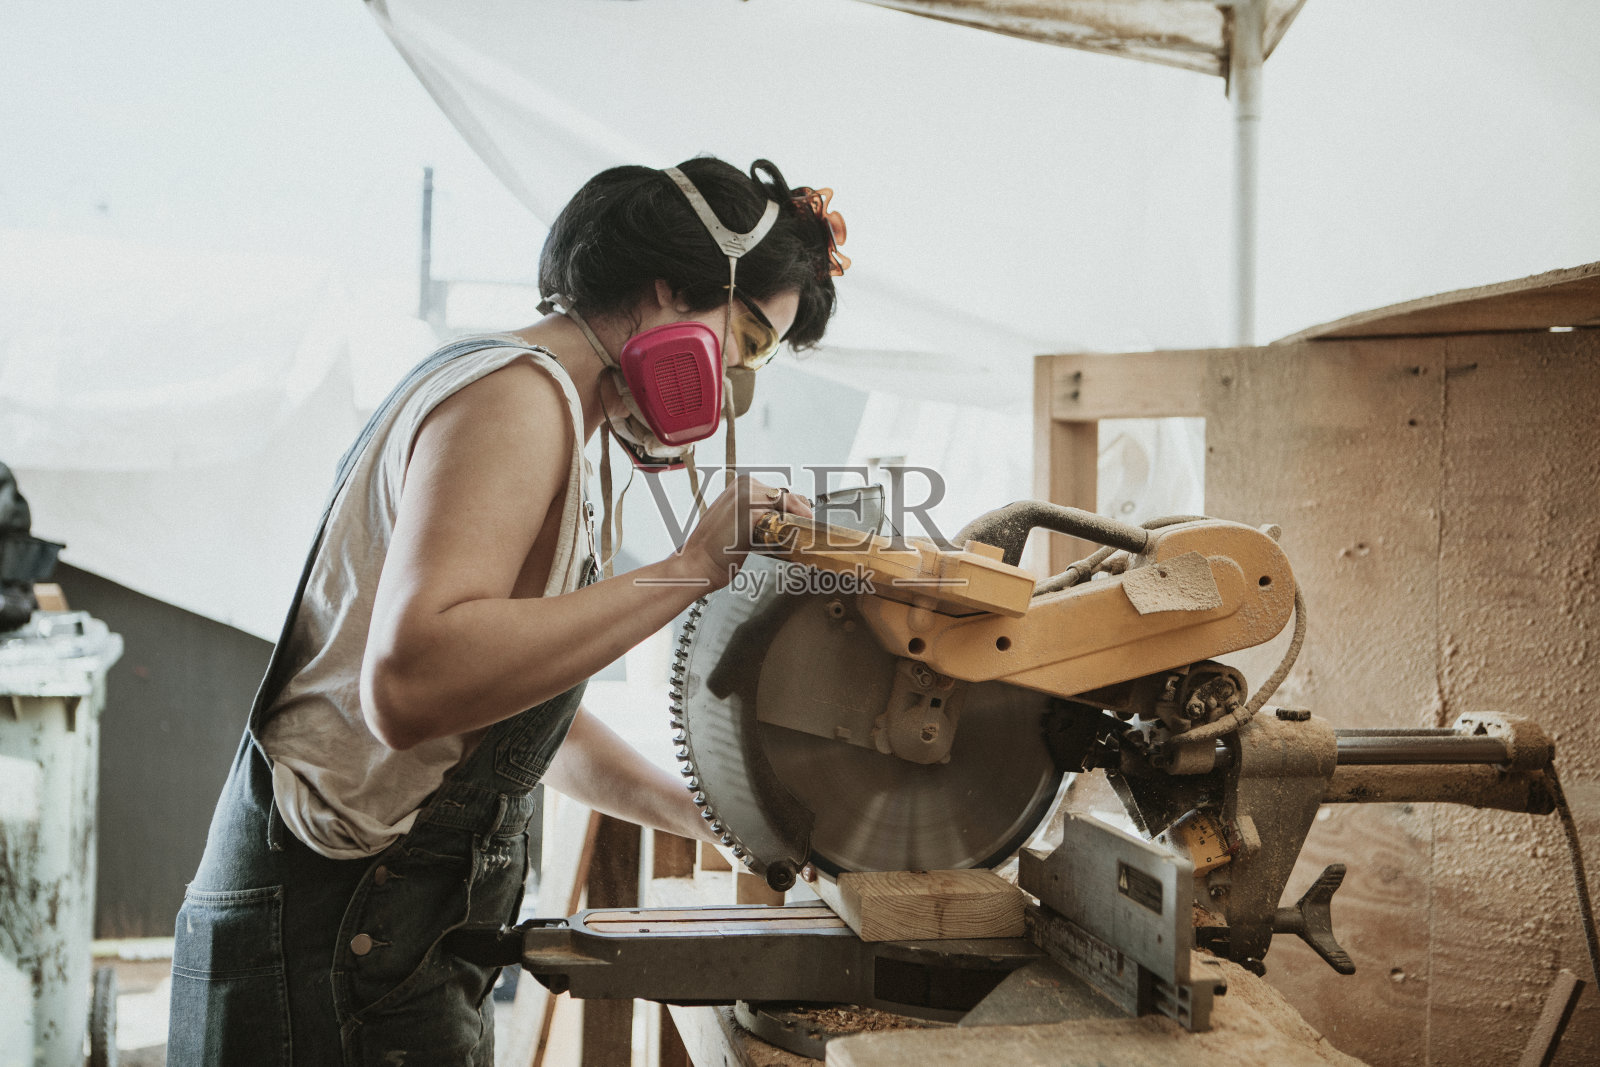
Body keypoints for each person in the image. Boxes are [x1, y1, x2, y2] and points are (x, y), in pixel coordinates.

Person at [167, 156, 847, 1066]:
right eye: (753, 340)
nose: (736, 390)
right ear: (673, 288)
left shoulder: (563, 419)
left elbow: (522, 722)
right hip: (330, 938)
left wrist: (713, 817)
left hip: (375, 933)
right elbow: (412, 683)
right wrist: (689, 569)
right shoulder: (517, 397)